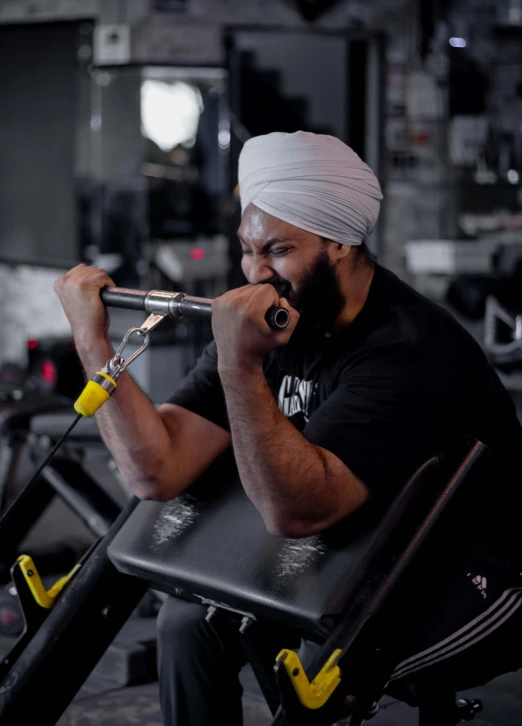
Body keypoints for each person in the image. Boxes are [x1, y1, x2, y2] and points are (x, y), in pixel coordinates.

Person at [54, 131, 522, 724]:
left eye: (277, 250)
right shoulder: (282, 320)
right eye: (248, 249)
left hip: (474, 572)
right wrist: (92, 340)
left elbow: (294, 513)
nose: (256, 272)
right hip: (360, 549)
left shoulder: (407, 351)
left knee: (318, 668)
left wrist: (238, 363)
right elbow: (157, 468)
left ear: (341, 242)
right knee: (184, 624)